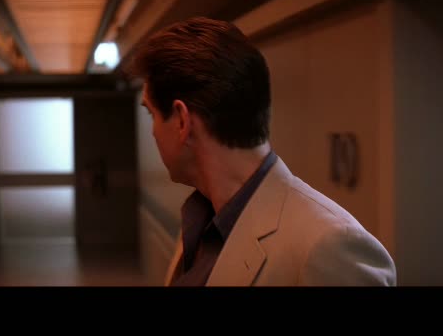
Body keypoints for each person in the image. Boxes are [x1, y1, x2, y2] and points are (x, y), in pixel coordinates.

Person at [127, 16, 396, 286]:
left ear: (181, 121)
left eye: (152, 114)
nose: (153, 132)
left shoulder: (331, 248)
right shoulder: (199, 219)